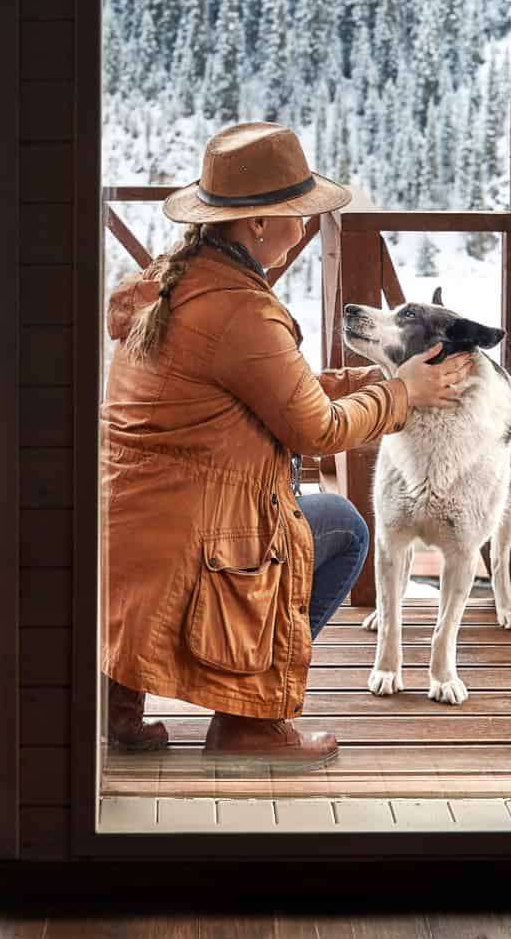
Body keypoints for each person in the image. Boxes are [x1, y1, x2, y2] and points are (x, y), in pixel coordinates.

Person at [101, 122, 471, 769]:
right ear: (259, 225)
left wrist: (386, 381)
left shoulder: (177, 280)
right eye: (297, 216)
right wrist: (402, 396)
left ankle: (117, 701)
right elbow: (317, 428)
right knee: (343, 527)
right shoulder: (240, 309)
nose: (304, 229)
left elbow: (274, 389)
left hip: (129, 540)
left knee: (294, 514)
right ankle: (251, 721)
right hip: (193, 543)